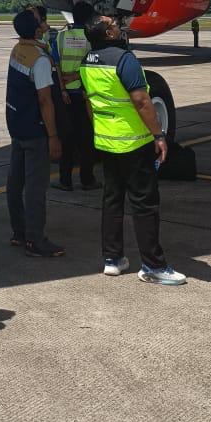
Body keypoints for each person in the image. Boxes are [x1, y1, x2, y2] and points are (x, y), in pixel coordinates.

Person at [80, 14, 185, 285]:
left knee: (112, 200)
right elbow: (141, 101)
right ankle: (153, 265)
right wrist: (158, 135)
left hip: (106, 141)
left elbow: (90, 102)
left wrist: (103, 129)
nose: (117, 24)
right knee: (145, 204)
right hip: (133, 142)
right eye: (113, 24)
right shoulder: (124, 60)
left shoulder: (87, 61)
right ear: (109, 34)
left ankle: (113, 259)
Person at [5, 8, 65, 258]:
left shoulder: (18, 50)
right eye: (41, 21)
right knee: (36, 187)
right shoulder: (39, 60)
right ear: (37, 28)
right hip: (34, 129)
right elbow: (44, 100)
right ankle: (35, 239)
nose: (44, 24)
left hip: (16, 124)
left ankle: (19, 232)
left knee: (15, 182)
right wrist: (53, 136)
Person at [52, 0, 99, 192]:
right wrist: (77, 76)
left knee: (67, 138)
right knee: (86, 138)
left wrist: (63, 89)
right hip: (84, 94)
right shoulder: (91, 38)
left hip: (66, 95)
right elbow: (93, 67)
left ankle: (65, 180)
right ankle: (87, 180)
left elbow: (56, 65)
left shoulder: (60, 37)